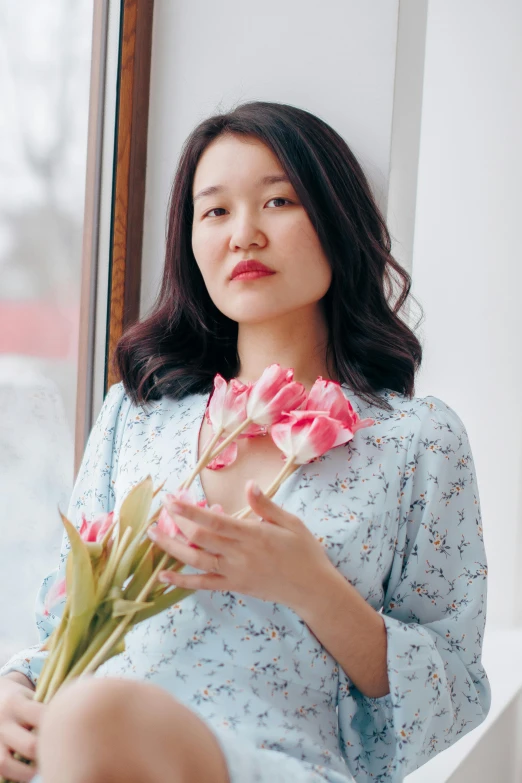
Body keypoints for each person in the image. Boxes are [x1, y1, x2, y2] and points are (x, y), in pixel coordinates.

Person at [0, 101, 491, 783]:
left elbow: (455, 694)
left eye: (278, 201)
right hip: (94, 749)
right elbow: (63, 625)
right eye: (215, 211)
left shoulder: (417, 440)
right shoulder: (136, 418)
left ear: (336, 218)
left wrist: (312, 586)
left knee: (92, 716)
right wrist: (15, 693)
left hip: (278, 763)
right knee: (83, 717)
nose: (245, 235)